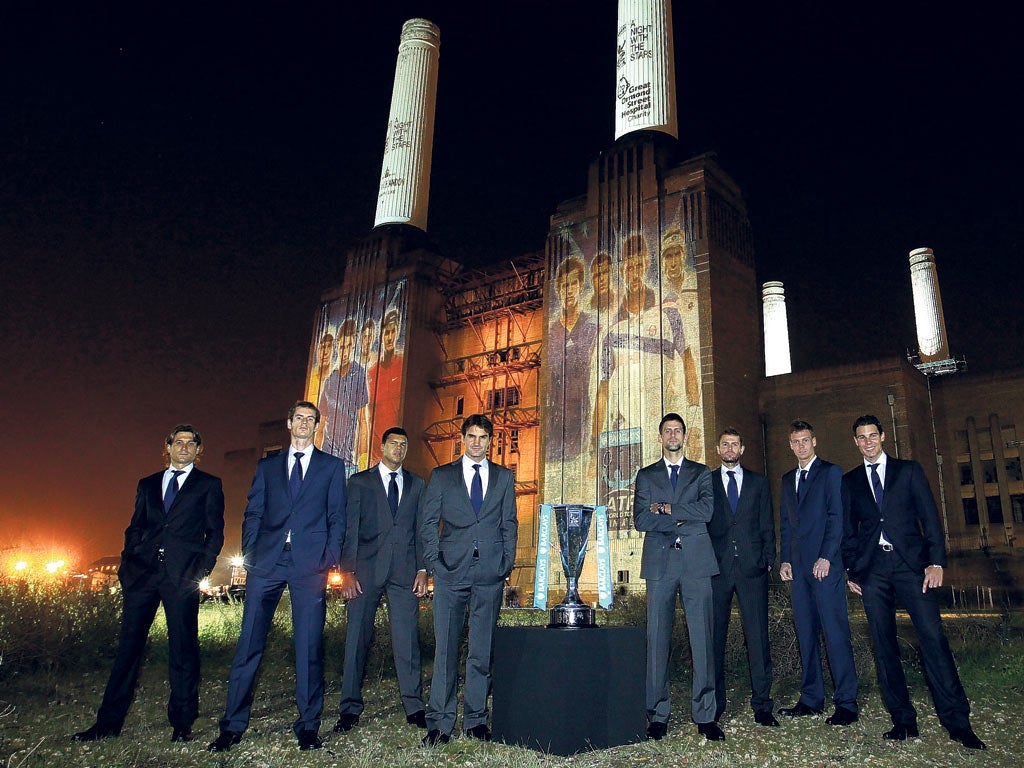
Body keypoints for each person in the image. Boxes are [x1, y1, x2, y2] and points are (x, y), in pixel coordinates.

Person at [72, 425, 225, 744]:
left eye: (191, 443)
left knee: (183, 649)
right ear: (167, 447)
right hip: (142, 574)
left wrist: (200, 570)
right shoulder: (148, 484)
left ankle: (182, 723)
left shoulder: (209, 485)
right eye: (178, 442)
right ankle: (107, 723)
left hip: (181, 576)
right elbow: (136, 525)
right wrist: (128, 561)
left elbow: (214, 532)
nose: (184, 447)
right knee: (128, 649)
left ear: (199, 450)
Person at [209, 401, 347, 752]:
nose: (304, 423)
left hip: (308, 565)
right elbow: (254, 511)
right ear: (289, 423)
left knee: (309, 646)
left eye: (310, 419)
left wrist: (328, 557)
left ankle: (308, 726)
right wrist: (251, 553)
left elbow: (337, 516)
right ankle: (232, 726)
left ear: (317, 426)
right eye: (299, 418)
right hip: (267, 563)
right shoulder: (268, 466)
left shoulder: (331, 467)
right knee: (249, 643)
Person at [842, 415, 985, 749]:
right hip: (873, 571)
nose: (867, 442)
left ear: (883, 437)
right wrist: (853, 571)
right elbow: (849, 531)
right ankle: (903, 721)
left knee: (933, 639)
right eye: (861, 437)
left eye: (872, 435)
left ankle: (958, 723)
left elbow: (929, 516)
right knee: (883, 645)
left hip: (912, 568)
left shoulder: (908, 471)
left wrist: (936, 562)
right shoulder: (850, 481)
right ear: (855, 442)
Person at [418, 414, 518, 745]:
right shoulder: (442, 476)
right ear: (462, 439)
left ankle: (476, 720)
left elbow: (509, 522)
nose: (477, 442)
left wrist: (505, 563)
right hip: (450, 571)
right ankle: (440, 723)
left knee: (481, 649)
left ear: (491, 441)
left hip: (489, 572)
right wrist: (434, 563)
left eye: (483, 437)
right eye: (471, 436)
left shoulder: (503, 477)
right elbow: (428, 523)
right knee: (446, 649)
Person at [633, 413, 724, 742]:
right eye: (667, 431)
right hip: (660, 564)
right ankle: (657, 714)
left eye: (678, 430)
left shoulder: (701, 473)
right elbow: (641, 519)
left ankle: (706, 715)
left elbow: (707, 512)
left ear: (685, 436)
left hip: (696, 563)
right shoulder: (646, 475)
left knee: (702, 638)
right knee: (657, 639)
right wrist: (684, 513)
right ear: (660, 437)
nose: (673, 435)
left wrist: (666, 508)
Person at [334, 427, 428, 733]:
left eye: (404, 444)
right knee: (356, 640)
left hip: (404, 573)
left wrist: (423, 569)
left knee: (407, 640)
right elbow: (350, 528)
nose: (399, 448)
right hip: (365, 572)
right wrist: (347, 571)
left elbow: (422, 529)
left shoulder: (417, 484)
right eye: (393, 443)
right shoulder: (360, 482)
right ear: (382, 447)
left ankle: (414, 706)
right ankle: (349, 708)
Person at [778, 420, 859, 725]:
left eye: (805, 440)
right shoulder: (787, 480)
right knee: (806, 634)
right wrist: (785, 560)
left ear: (814, 442)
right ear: (790, 445)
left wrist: (826, 556)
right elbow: (786, 524)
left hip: (825, 568)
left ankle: (846, 703)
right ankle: (811, 699)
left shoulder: (830, 473)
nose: (801, 446)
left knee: (835, 633)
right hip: (799, 571)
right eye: (795, 442)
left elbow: (837, 517)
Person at [708, 428, 777, 726]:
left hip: (752, 570)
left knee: (758, 637)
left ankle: (762, 705)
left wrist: (768, 559)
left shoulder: (758, 483)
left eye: (735, 444)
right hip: (717, 570)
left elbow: (766, 523)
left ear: (742, 449)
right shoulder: (707, 482)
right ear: (718, 449)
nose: (730, 449)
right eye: (725, 444)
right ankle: (715, 705)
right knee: (715, 638)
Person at [545, 257, 598, 462]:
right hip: (558, 418)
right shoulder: (552, 332)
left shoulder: (592, 325)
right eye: (564, 285)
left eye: (573, 283)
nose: (569, 290)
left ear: (581, 286)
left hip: (584, 410)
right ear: (558, 289)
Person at [318, 318, 371, 471]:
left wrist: (363, 461)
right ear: (337, 345)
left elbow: (363, 422)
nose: (345, 351)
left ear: (353, 346)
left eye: (349, 346)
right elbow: (320, 427)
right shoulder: (329, 381)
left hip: (347, 461)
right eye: (342, 347)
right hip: (326, 458)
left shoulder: (358, 374)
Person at [368, 310, 405, 464]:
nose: (389, 337)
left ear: (397, 334)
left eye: (393, 332)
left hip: (397, 452)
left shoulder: (403, 365)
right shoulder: (372, 372)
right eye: (386, 333)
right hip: (375, 453)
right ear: (381, 336)